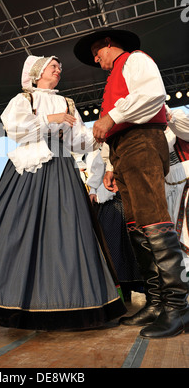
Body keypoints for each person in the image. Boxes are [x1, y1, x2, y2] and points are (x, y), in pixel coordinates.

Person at [0, 55, 126, 331]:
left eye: (59, 67)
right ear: (36, 73)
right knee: (18, 228)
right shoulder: (24, 99)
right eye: (53, 66)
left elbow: (79, 140)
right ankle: (7, 301)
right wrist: (50, 119)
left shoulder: (67, 103)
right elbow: (15, 129)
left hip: (61, 167)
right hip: (30, 169)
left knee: (68, 229)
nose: (58, 70)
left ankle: (71, 303)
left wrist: (99, 132)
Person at [74, 29, 189, 338]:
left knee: (154, 222)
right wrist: (110, 164)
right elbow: (112, 129)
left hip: (141, 142)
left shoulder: (135, 60)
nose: (95, 58)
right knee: (137, 227)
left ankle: (178, 308)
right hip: (125, 150)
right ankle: (155, 303)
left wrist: (111, 117)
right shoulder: (113, 79)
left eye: (97, 51)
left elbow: (153, 96)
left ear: (111, 45)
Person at [86, 145, 144, 301]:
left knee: (133, 244)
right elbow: (98, 169)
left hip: (130, 198)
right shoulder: (102, 150)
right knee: (112, 247)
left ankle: (141, 287)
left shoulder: (131, 144)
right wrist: (92, 190)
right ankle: (120, 290)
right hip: (110, 202)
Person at [165, 107, 189, 275]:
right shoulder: (152, 134)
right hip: (168, 190)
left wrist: (169, 117)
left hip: (186, 184)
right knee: (175, 236)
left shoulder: (177, 118)